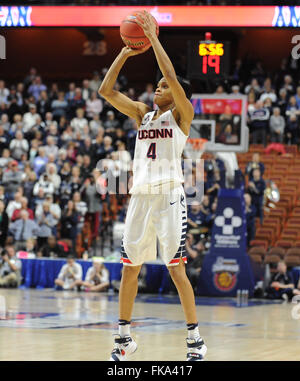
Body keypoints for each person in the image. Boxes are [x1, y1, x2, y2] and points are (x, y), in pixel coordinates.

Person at [99, 10, 206, 362]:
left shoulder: (182, 115)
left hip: (169, 196)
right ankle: (124, 337)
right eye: (157, 86)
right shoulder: (143, 113)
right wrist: (126, 52)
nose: (157, 88)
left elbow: (172, 76)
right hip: (140, 198)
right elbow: (105, 90)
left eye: (162, 87)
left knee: (176, 269)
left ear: (175, 95)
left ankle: (195, 340)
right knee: (130, 267)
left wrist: (153, 37)